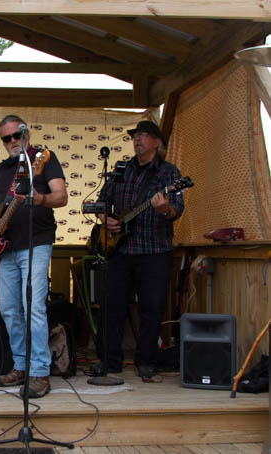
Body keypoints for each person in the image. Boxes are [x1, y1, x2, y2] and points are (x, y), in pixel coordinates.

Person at [0, 115, 67, 398]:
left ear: (27, 134)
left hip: (36, 243)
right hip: (6, 249)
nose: (13, 141)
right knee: (8, 308)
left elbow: (61, 197)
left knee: (33, 307)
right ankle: (21, 365)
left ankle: (39, 371)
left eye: (17, 135)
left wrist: (40, 199)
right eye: (7, 138)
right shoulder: (1, 170)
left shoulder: (43, 159)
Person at [94, 120, 184, 382]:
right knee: (111, 307)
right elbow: (101, 203)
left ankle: (146, 362)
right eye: (135, 136)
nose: (137, 139)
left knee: (152, 308)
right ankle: (109, 361)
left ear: (156, 142)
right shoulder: (121, 169)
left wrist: (164, 209)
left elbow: (176, 210)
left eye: (144, 135)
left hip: (154, 250)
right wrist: (106, 220)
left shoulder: (168, 173)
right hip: (120, 250)